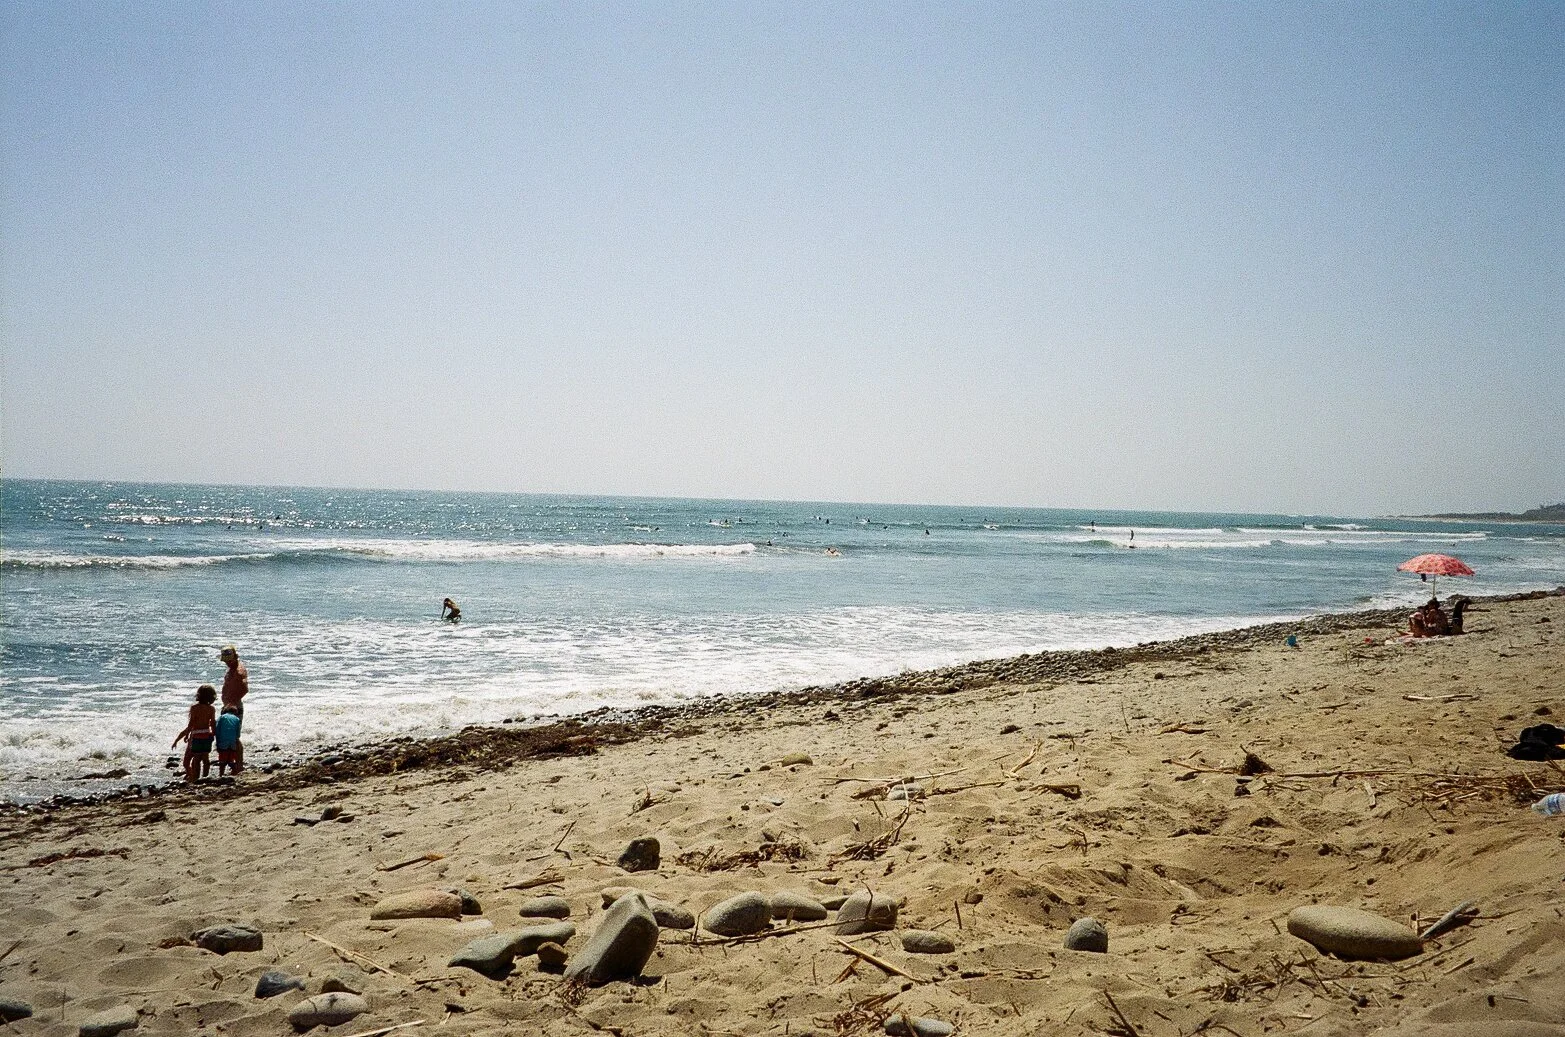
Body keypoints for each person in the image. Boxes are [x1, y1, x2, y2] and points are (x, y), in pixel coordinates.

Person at [173, 684, 218, 781]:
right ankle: (205, 777)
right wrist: (214, 734)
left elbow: (191, 723)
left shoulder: (194, 708)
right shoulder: (211, 708)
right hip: (206, 734)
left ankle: (195, 778)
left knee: (196, 759)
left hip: (197, 734)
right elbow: (213, 723)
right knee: (205, 758)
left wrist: (187, 734)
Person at [218, 645, 249, 772]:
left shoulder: (239, 670)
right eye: (226, 661)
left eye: (229, 660)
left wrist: (233, 702)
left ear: (235, 656)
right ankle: (232, 763)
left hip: (234, 707)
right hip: (228, 706)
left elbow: (244, 688)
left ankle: (239, 765)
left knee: (234, 737)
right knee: (227, 736)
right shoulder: (232, 669)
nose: (227, 663)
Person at [215, 706, 242, 777]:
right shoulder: (237, 719)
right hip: (232, 741)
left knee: (222, 759)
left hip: (223, 740)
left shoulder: (222, 717)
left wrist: (217, 742)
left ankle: (221, 774)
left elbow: (217, 730)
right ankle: (235, 772)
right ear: (235, 712)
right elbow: (238, 734)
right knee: (231, 758)